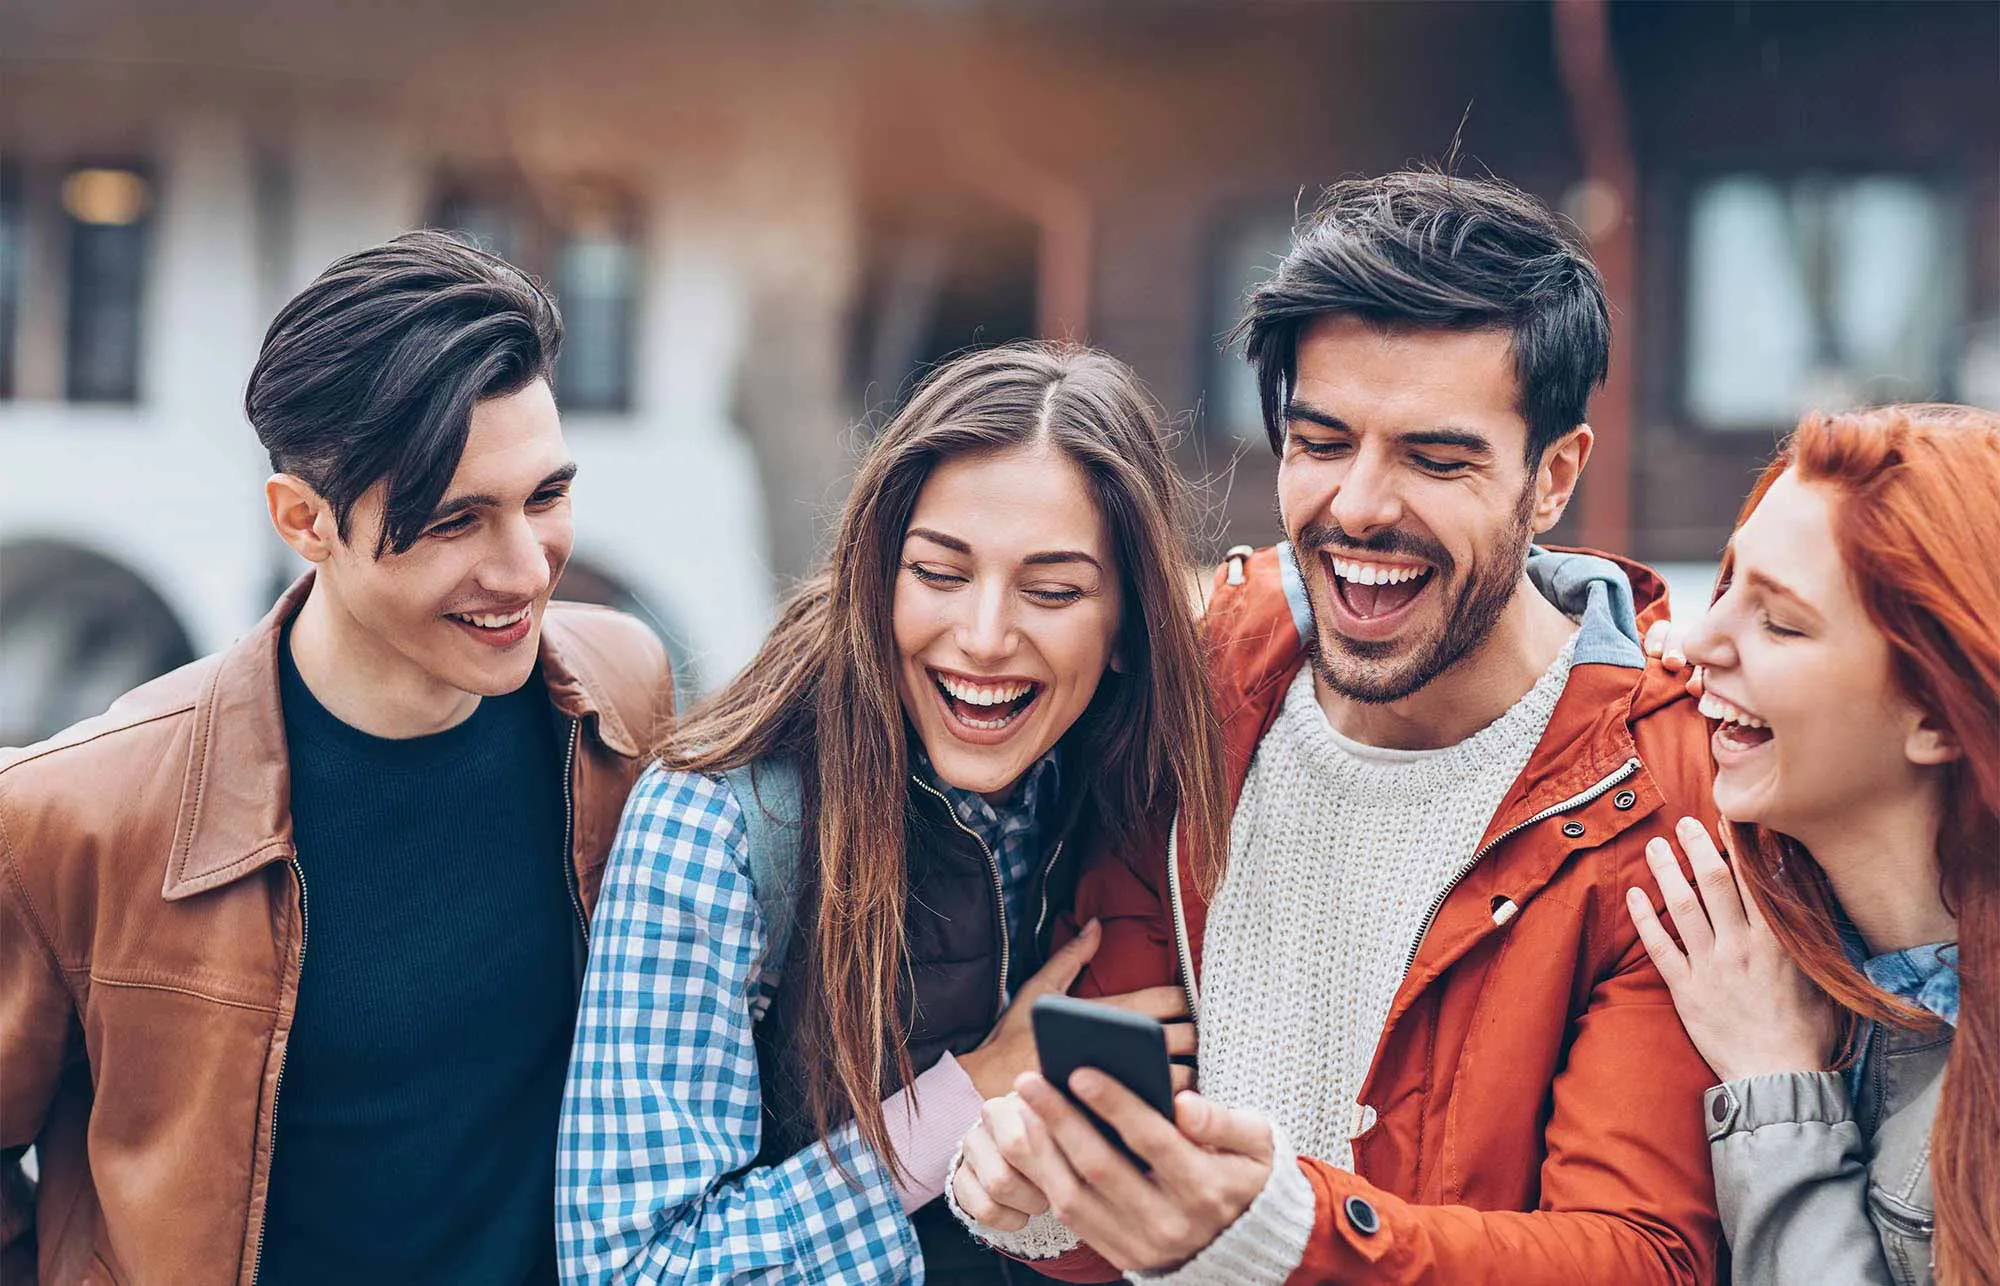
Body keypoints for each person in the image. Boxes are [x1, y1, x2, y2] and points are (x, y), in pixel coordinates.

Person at [947, 171, 1723, 1284]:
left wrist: (1282, 1227)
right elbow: (1116, 1198)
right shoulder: (1198, 680)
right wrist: (1027, 1183)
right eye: (1319, 441)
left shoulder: (1659, 787)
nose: (1358, 504)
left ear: (1552, 476)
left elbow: (1643, 1258)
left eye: (1434, 458)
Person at [0, 231, 671, 1285]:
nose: (523, 566)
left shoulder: (620, 695)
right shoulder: (67, 813)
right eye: (453, 519)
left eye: (543, 497)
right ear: (303, 520)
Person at [557, 342, 1230, 1284]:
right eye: (941, 573)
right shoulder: (716, 827)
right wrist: (967, 1098)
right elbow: (634, 1270)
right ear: (877, 577)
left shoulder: (1137, 793)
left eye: (1053, 590)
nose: (987, 638)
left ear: (1128, 625)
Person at [1627, 404, 1999, 1286]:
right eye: (1726, 588)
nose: (1694, 641)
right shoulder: (1759, 942)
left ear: (1937, 714)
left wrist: (1774, 1085)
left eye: (1779, 623)